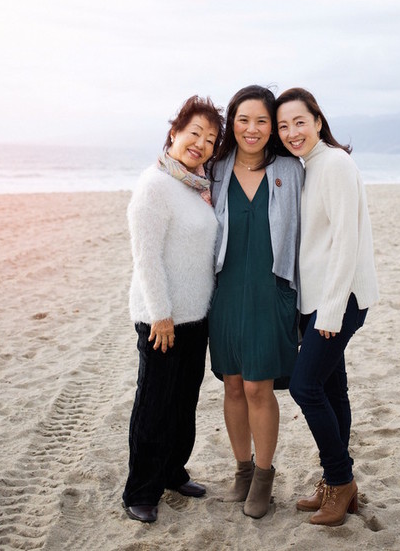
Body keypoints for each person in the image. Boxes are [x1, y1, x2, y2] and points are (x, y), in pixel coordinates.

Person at [275, 87, 379, 527]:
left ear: (318, 120)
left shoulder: (335, 163)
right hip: (319, 299)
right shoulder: (308, 167)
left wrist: (331, 312)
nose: (292, 132)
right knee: (333, 390)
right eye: (283, 126)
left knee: (305, 387)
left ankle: (341, 480)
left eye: (299, 121)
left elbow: (345, 243)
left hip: (340, 299)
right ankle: (337, 484)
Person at [122, 95, 224, 524]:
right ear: (174, 133)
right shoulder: (154, 185)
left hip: (195, 316)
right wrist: (161, 314)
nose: (200, 143)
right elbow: (146, 257)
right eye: (194, 133)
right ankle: (140, 490)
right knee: (154, 404)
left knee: (184, 401)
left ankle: (172, 471)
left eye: (210, 138)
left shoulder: (196, 185)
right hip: (160, 318)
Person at [208, 85, 303, 519]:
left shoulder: (291, 169)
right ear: (233, 123)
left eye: (262, 121)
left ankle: (264, 477)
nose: (253, 129)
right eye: (244, 120)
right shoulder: (217, 167)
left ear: (273, 127)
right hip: (226, 291)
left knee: (257, 387)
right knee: (231, 385)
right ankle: (242, 471)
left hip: (270, 291)